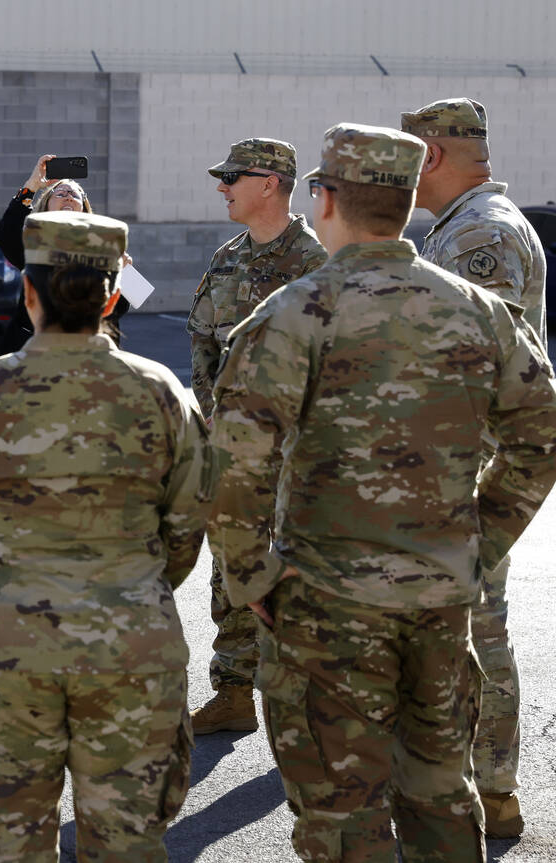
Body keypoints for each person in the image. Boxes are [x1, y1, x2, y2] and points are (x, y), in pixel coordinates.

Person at [210, 123, 556, 861]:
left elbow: (234, 466)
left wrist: (252, 577)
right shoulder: (479, 311)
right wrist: (477, 539)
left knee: (343, 819)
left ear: (326, 200)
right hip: (438, 603)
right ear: (401, 204)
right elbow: (541, 434)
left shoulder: (289, 316)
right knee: (439, 798)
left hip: (324, 609)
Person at [0, 211, 212, 861]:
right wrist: (128, 585)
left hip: (2, 647)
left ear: (28, 292)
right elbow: (188, 527)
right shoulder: (162, 394)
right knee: (128, 844)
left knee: (5, 845)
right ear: (112, 296)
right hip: (132, 645)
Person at [402, 97, 548, 839]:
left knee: (476, 630)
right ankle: (487, 788)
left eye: (407, 156)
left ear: (431, 155)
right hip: (473, 459)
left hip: (470, 465)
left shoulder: (480, 234)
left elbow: (465, 365)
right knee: (474, 625)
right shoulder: (465, 225)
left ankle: (489, 790)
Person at [186, 137, 326, 736]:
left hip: (293, 460)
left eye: (233, 177)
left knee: (295, 582)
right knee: (230, 571)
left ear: (269, 182)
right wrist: (214, 413)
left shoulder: (315, 265)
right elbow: (201, 344)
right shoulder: (227, 258)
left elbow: (328, 368)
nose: (222, 186)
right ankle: (235, 691)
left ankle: (308, 710)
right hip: (232, 453)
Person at [0, 154, 129, 353]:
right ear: (46, 205)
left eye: (75, 195)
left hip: (87, 353)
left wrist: (120, 273)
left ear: (84, 208)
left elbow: (117, 309)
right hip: (35, 352)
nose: (67, 196)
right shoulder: (35, 244)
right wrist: (31, 186)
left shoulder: (103, 246)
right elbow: (6, 235)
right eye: (60, 193)